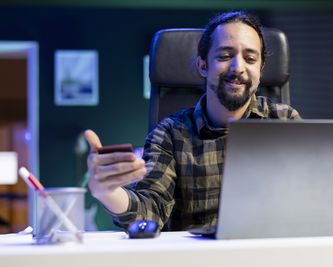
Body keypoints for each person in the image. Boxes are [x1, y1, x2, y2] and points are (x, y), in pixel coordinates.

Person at [85, 11, 301, 231]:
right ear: (203, 66)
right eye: (225, 56)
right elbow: (148, 214)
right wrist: (107, 192)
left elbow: (307, 197)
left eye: (250, 58)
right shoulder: (169, 133)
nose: (238, 67)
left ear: (261, 69)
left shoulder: (284, 121)